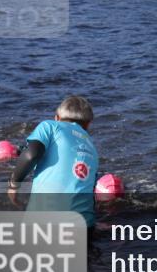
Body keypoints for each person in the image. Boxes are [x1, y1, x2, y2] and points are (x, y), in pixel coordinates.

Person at [7, 96, 100, 230]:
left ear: (56, 117)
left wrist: (13, 185)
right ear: (88, 124)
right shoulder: (92, 148)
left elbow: (31, 155)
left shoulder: (50, 126)